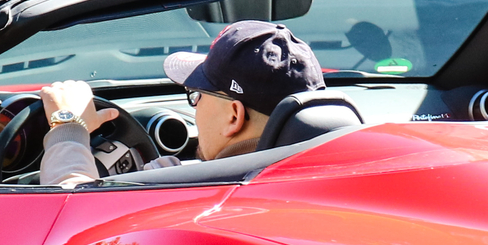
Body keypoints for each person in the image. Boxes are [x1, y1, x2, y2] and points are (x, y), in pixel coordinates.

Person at [35, 20, 325, 186]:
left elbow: (68, 204)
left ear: (234, 116)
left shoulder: (178, 189)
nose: (194, 108)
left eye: (197, 96)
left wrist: (68, 126)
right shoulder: (346, 171)